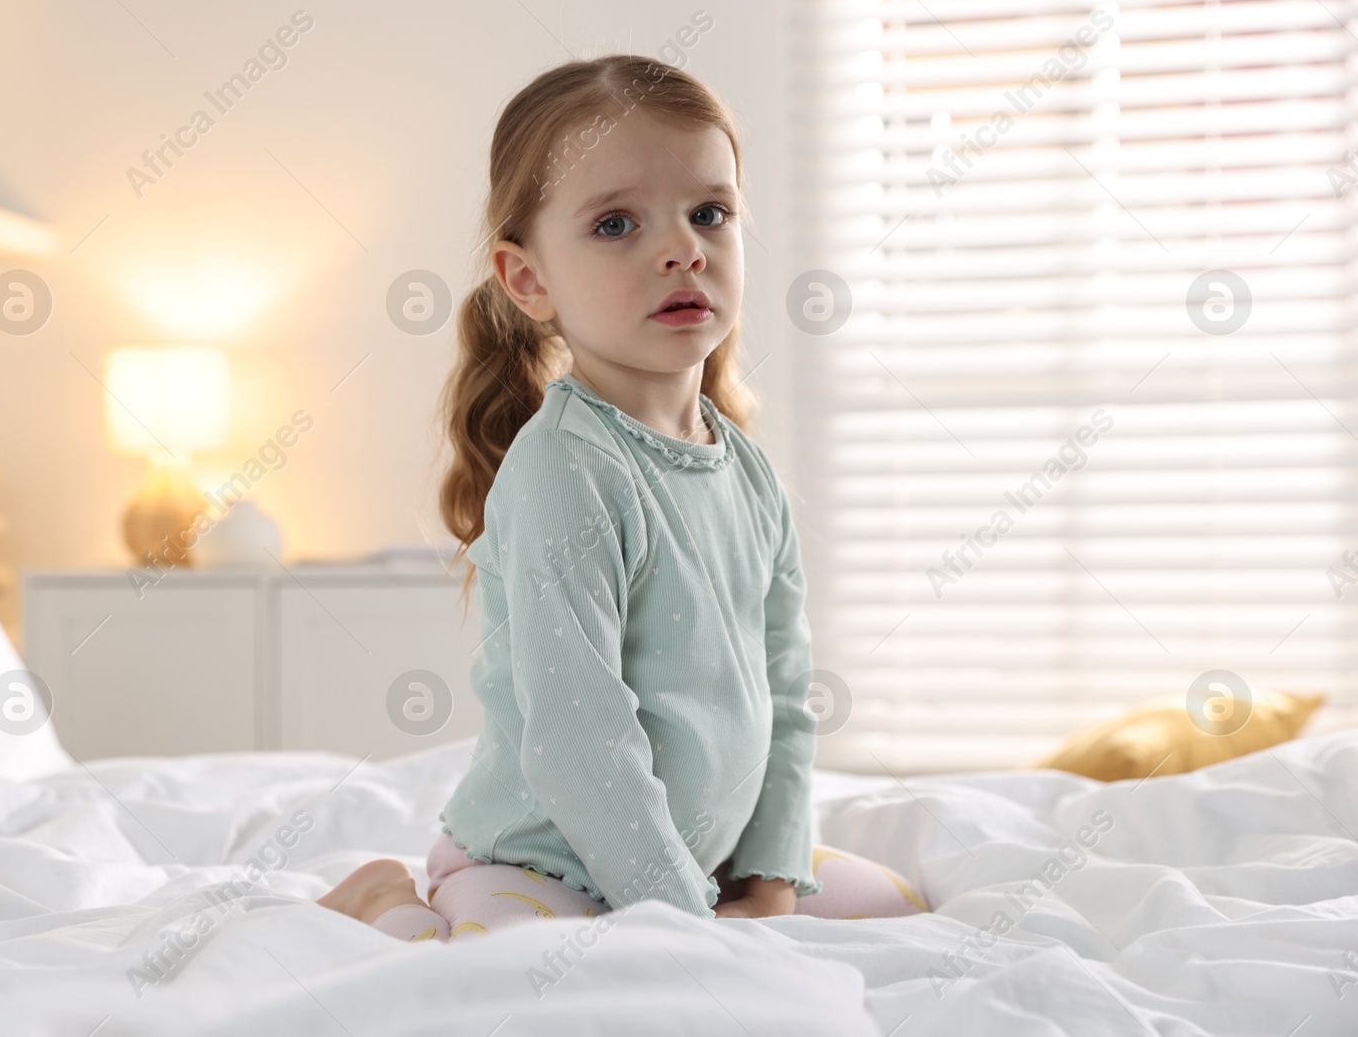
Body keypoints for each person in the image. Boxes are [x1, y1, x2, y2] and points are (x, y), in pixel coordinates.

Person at [317, 54, 925, 942]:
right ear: (529, 280)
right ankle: (386, 890)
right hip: (546, 858)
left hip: (699, 861)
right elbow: (579, 737)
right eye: (615, 224)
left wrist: (768, 872)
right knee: (492, 966)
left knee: (906, 912)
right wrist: (686, 919)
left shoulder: (748, 473)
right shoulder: (566, 471)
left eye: (709, 213)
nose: (682, 248)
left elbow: (787, 694)